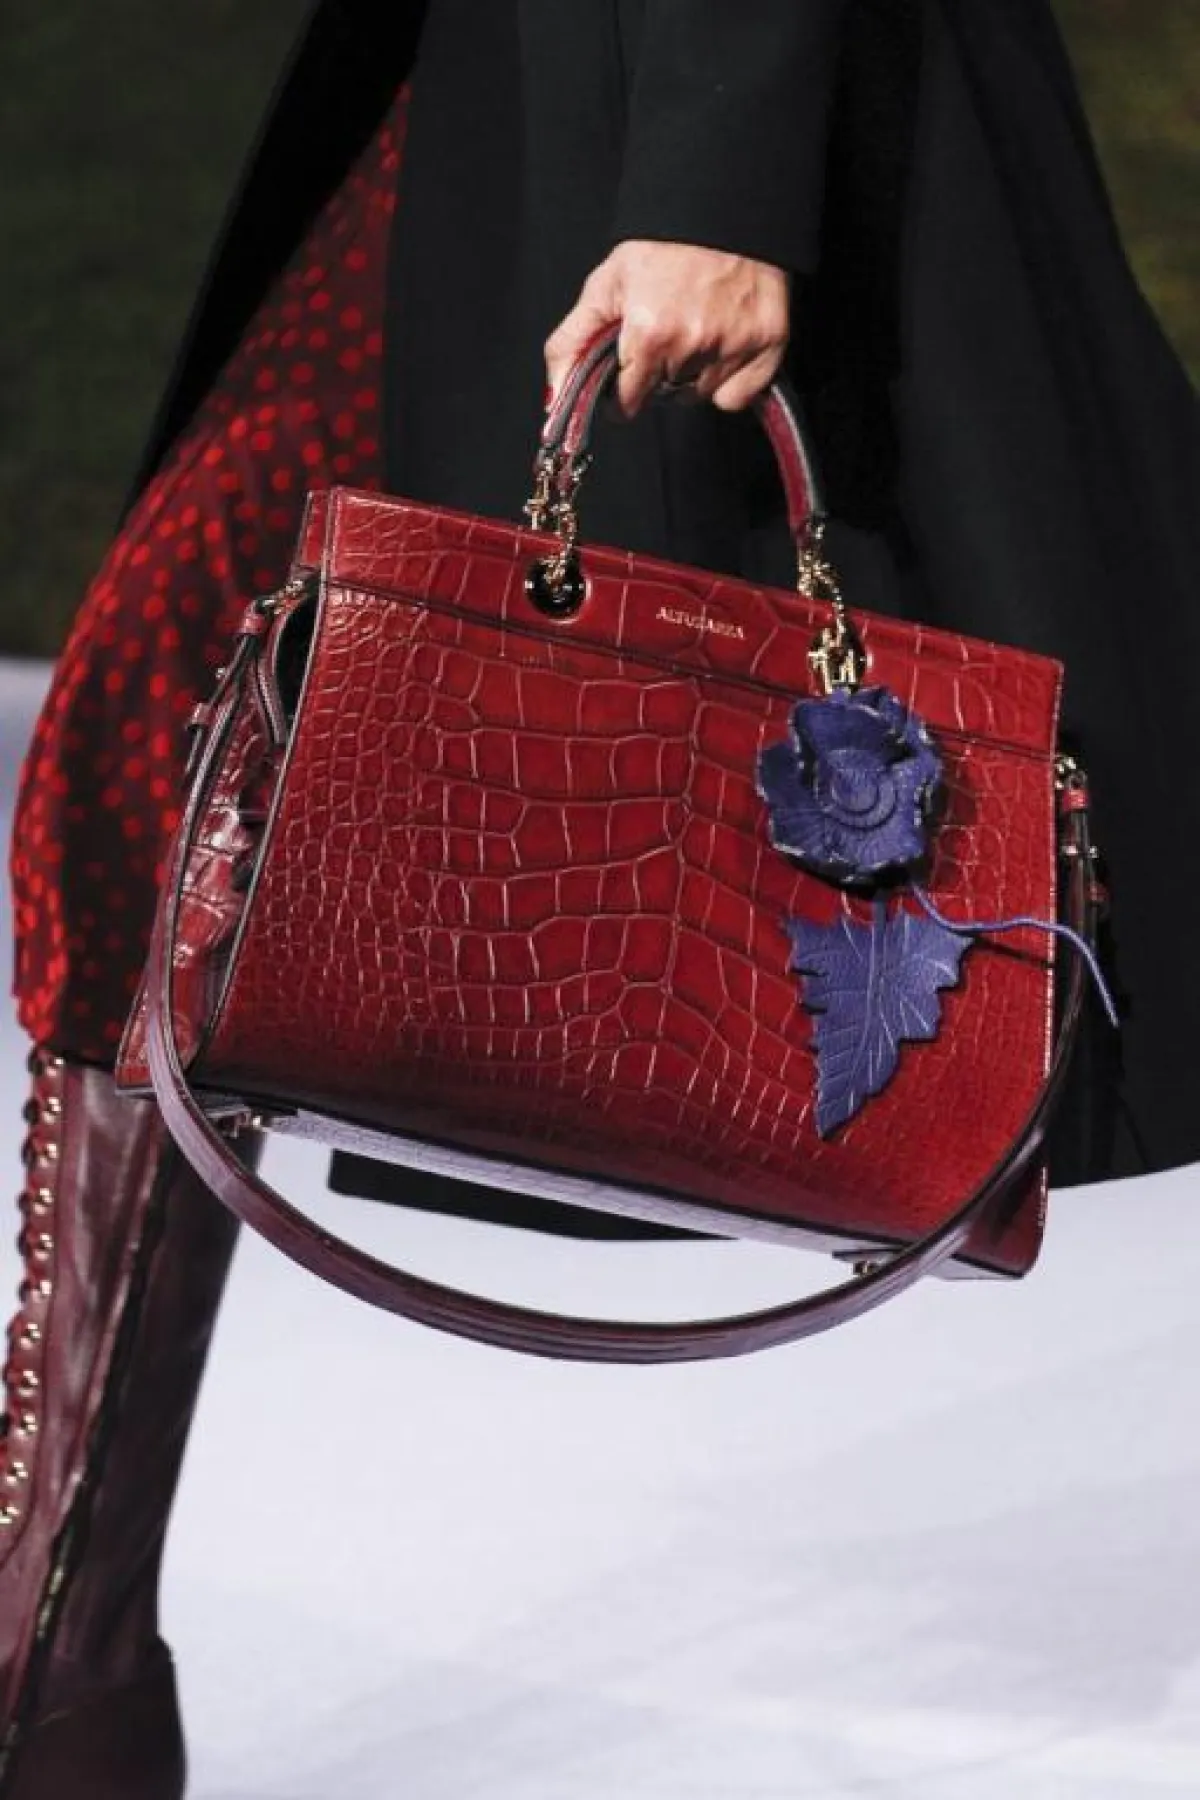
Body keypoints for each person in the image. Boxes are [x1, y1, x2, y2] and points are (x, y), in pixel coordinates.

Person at [3, 1, 1198, 1794]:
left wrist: (717, 172)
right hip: (519, 81)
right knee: (151, 778)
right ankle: (55, 1661)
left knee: (163, 742)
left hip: (681, 85)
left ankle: (53, 1671)